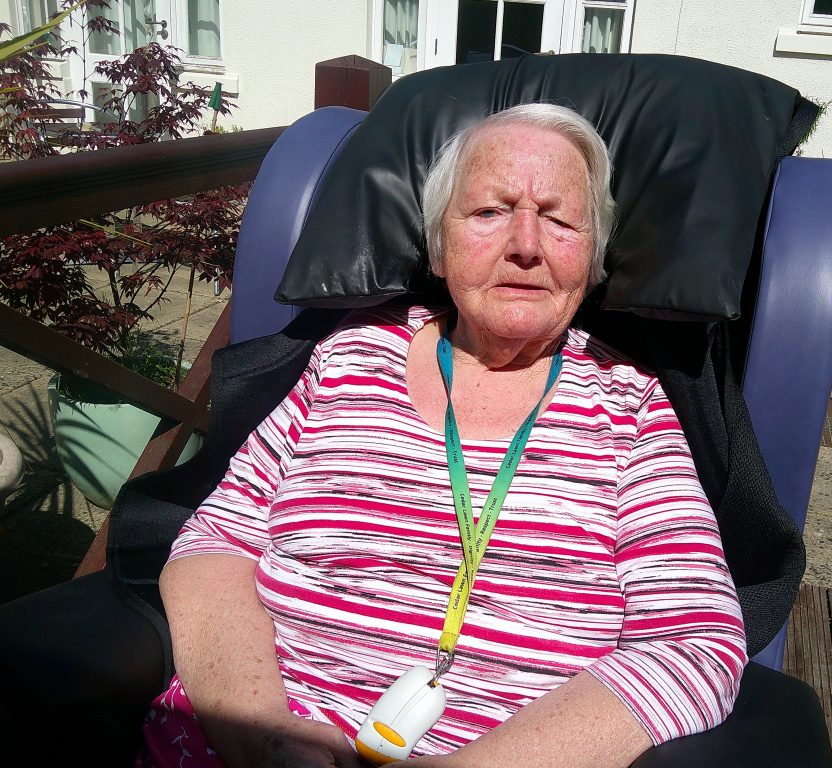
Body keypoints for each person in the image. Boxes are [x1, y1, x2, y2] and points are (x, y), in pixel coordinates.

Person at [137, 103, 747, 768]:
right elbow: (216, 540)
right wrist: (263, 734)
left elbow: (695, 642)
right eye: (489, 211)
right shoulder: (350, 356)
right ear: (439, 241)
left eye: (560, 218)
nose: (525, 243)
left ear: (594, 256)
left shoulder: (630, 405)